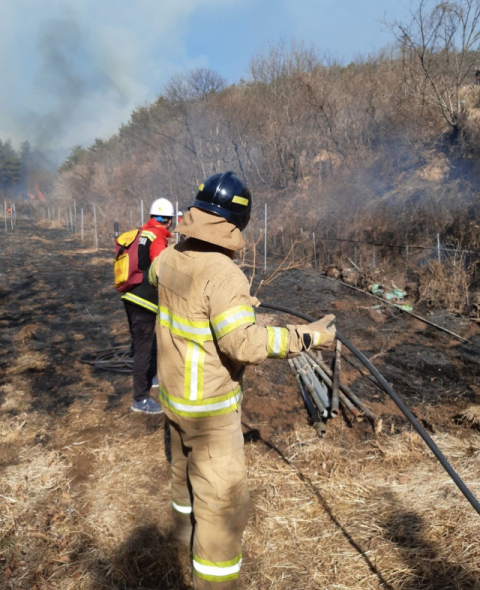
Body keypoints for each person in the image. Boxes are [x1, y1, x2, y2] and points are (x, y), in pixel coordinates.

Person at [149, 171, 335, 589]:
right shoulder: (224, 274)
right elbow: (245, 346)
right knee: (223, 508)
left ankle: (181, 537)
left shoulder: (172, 256)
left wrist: (227, 306)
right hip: (211, 414)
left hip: (174, 401)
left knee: (183, 478)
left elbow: (163, 282)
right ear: (237, 222)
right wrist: (310, 336)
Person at [122, 197, 174, 414]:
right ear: (168, 221)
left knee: (142, 342)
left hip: (129, 293)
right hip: (144, 298)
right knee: (144, 346)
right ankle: (140, 399)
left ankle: (150, 378)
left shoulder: (141, 233)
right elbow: (161, 268)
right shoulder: (158, 236)